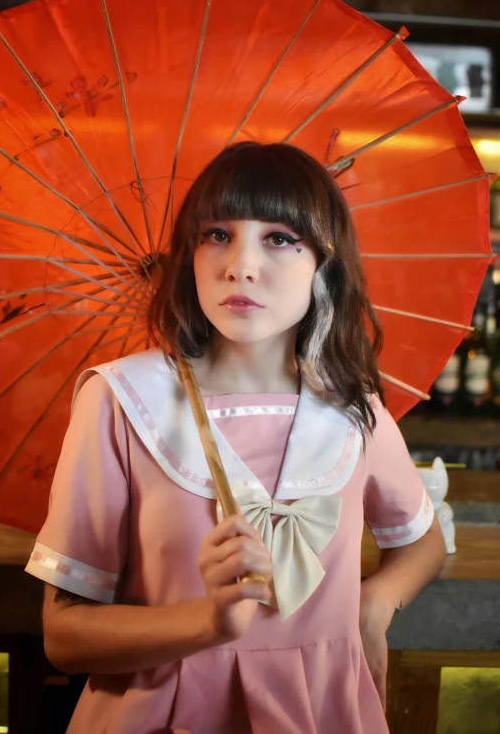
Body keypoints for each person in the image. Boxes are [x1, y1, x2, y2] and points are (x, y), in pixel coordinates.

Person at [25, 142, 446, 733]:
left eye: (278, 238)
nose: (240, 265)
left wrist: (374, 605)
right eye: (217, 234)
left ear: (325, 265)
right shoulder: (121, 400)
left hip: (324, 712)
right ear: (189, 256)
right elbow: (64, 636)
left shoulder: (354, 410)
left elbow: (422, 543)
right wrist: (209, 622)